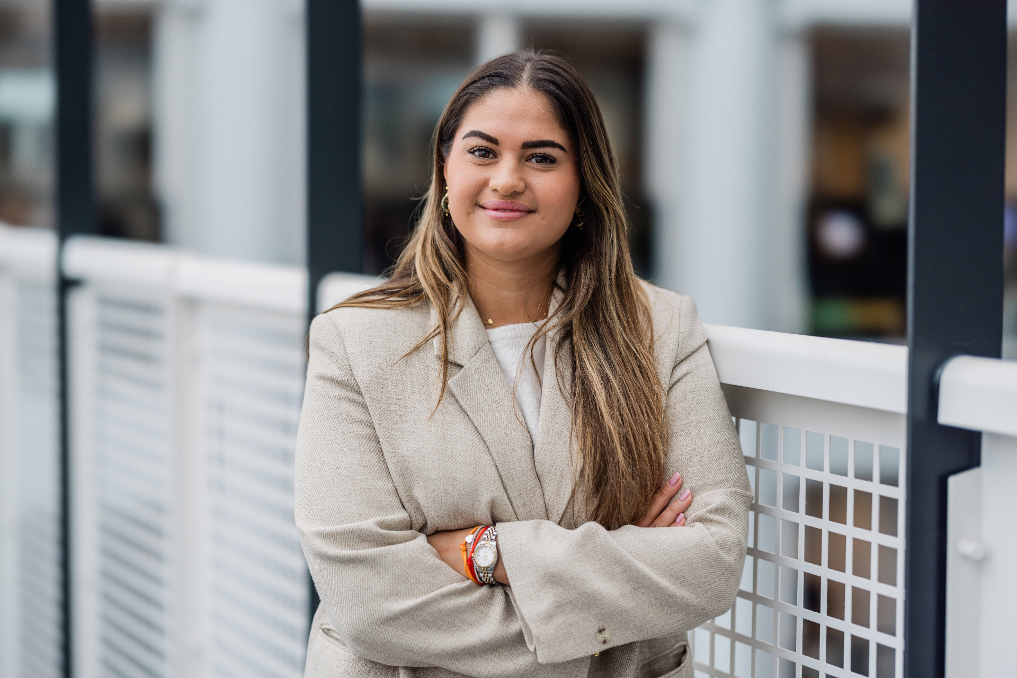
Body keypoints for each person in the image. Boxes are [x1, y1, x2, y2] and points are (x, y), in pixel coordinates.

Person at [295, 49, 752, 678]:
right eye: (483, 152)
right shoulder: (354, 340)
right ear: (445, 171)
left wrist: (484, 552)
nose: (508, 179)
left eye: (541, 157)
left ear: (585, 182)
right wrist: (612, 597)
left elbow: (712, 562)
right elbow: (367, 600)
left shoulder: (661, 329)